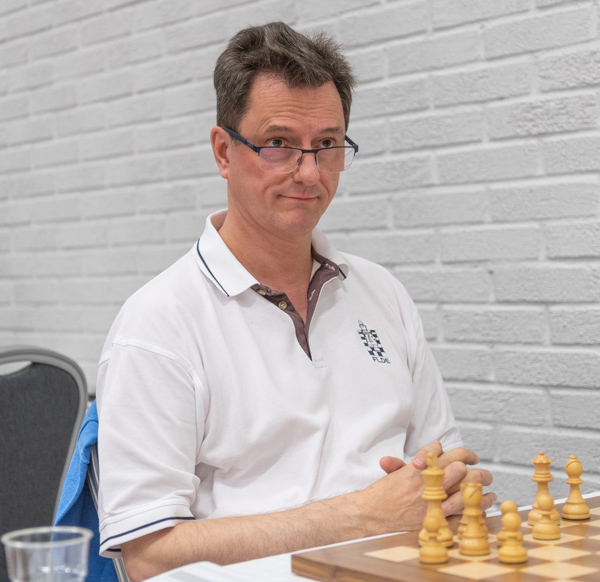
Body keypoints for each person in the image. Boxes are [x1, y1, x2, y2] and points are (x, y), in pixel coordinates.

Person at [96, 21, 496, 582]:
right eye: (278, 144)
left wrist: (450, 490)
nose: (308, 173)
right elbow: (148, 555)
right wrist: (356, 518)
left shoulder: (382, 292)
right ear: (224, 152)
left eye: (327, 145)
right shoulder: (159, 323)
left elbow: (443, 467)